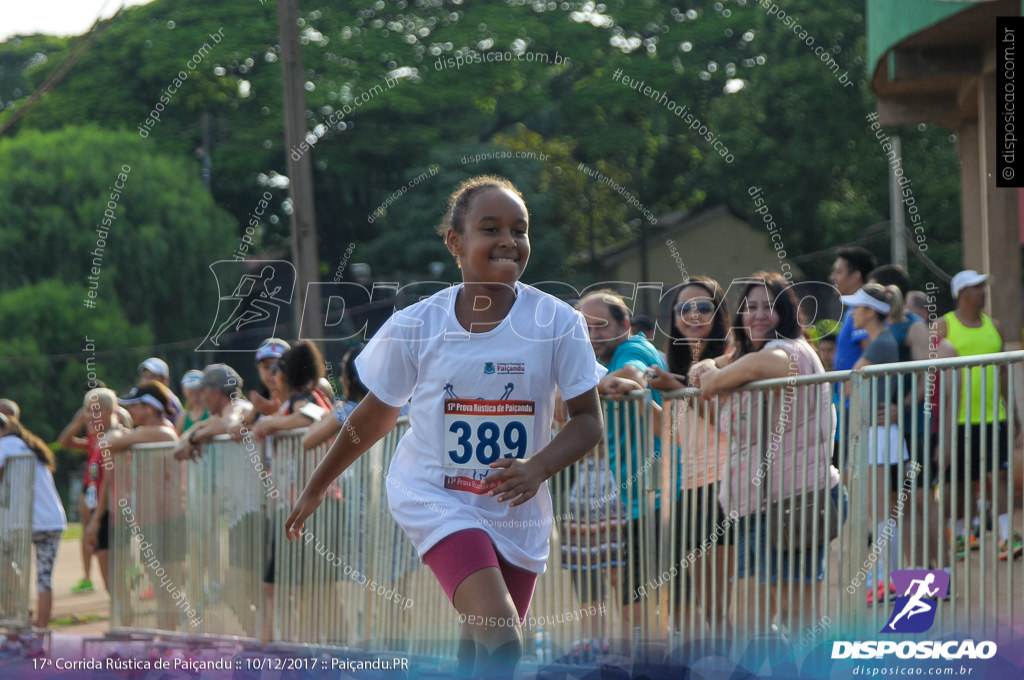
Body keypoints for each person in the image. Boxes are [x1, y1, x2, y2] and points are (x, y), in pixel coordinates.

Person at [285, 175, 604, 680]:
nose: (508, 241)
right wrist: (316, 487)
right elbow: (375, 415)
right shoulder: (418, 324)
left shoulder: (557, 321)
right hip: (437, 497)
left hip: (515, 507)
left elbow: (589, 422)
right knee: (502, 644)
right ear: (455, 241)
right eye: (490, 228)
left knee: (477, 655)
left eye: (519, 230)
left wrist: (537, 468)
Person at [691, 271, 842, 636]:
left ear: (787, 313)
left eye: (769, 307)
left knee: (790, 614)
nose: (759, 315)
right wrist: (715, 367)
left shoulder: (788, 353)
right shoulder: (751, 357)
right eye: (751, 307)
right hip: (759, 505)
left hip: (795, 501)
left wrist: (715, 370)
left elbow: (717, 377)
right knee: (763, 615)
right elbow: (702, 374)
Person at [577, 290, 666, 646]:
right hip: (637, 499)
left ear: (625, 325)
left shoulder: (632, 349)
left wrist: (611, 383)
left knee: (639, 604)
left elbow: (634, 372)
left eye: (601, 327)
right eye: (585, 328)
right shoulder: (603, 362)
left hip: (656, 494)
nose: (592, 335)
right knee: (636, 601)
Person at [644, 277, 732, 636]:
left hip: (728, 483)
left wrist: (677, 389)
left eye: (704, 307)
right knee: (707, 607)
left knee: (727, 604)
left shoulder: (731, 358)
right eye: (684, 308)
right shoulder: (677, 363)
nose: (693, 315)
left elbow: (728, 422)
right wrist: (641, 397)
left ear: (720, 313)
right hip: (692, 489)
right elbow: (674, 435)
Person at [934, 270, 1023, 560]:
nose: (983, 291)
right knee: (958, 482)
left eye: (983, 286)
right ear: (961, 293)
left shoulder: (993, 326)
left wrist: (1014, 413)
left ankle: (1007, 536)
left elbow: (1003, 374)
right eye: (976, 287)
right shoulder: (943, 326)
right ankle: (959, 534)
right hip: (956, 420)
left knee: (998, 475)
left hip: (992, 418)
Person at [844, 284, 910, 603]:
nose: (852, 313)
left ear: (870, 311)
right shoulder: (880, 340)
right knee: (879, 508)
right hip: (877, 433)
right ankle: (889, 575)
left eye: (857, 307)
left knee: (881, 508)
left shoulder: (881, 342)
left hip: (881, 435)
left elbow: (849, 385)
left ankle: (891, 578)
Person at [0, 414, 67, 657]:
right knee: (43, 580)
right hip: (52, 521)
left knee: (10, 576)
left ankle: (15, 635)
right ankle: (39, 637)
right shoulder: (29, 444)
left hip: (28, 523)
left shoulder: (6, 444)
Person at [58, 388, 124, 595]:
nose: (89, 416)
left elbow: (110, 481)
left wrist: (96, 521)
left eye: (95, 410)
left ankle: (124, 623)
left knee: (115, 579)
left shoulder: (115, 437)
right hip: (98, 504)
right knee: (110, 581)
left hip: (111, 511)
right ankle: (120, 622)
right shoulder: (96, 439)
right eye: (87, 411)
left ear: (110, 410)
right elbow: (64, 441)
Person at [828, 246, 877, 468]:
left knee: (855, 474)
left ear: (855, 276)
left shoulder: (863, 310)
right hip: (851, 405)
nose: (832, 278)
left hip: (860, 406)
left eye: (838, 272)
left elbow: (873, 352)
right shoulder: (854, 309)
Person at [176, 370, 208, 434]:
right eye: (190, 388)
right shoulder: (182, 417)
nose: (195, 391)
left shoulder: (212, 412)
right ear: (184, 390)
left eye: (197, 387)